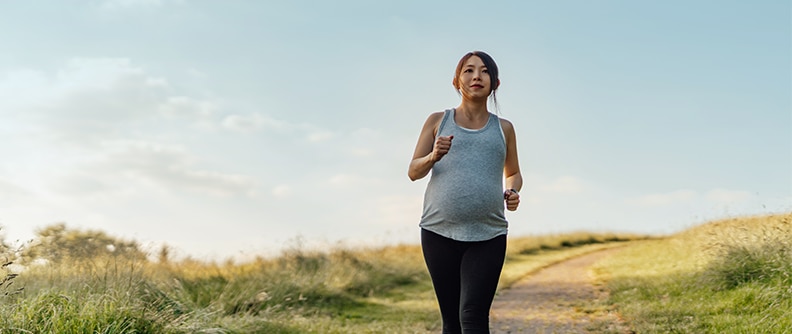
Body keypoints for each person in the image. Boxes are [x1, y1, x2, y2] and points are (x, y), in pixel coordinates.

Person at [408, 51, 522, 334]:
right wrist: (433, 156)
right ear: (456, 80)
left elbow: (514, 173)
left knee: (472, 316)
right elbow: (413, 171)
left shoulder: (504, 128)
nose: (476, 77)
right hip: (438, 232)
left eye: (484, 71)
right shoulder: (438, 121)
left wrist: (512, 192)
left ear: (494, 82)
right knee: (452, 322)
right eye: (468, 71)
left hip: (488, 234)